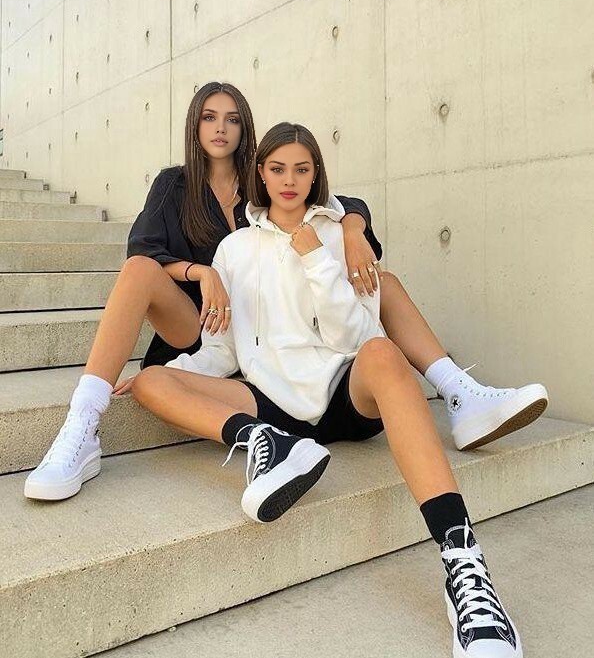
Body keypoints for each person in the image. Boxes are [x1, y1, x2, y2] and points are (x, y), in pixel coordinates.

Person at [23, 81, 547, 502]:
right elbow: (144, 250)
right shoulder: (175, 186)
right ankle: (82, 422)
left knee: (382, 283)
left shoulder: (269, 182)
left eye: (232, 118)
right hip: (197, 324)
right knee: (139, 271)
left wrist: (353, 227)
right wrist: (201, 273)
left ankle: (459, 391)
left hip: (268, 337)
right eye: (210, 117)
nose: (221, 128)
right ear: (195, 126)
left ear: (247, 131)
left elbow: (332, 200)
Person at [129, 123, 525, 657]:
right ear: (260, 174)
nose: (289, 180)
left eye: (302, 169)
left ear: (316, 174)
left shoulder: (340, 237)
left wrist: (316, 256)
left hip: (342, 392)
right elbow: (222, 352)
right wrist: (178, 374)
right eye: (277, 169)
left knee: (382, 352)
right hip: (271, 406)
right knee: (152, 378)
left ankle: (464, 565)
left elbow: (355, 336)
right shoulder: (233, 249)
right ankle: (268, 445)